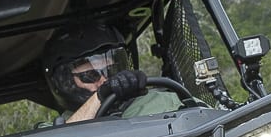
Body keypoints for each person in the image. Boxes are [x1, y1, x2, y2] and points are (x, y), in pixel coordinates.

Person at [40, 22, 180, 123]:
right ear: (65, 82)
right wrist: (100, 96)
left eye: (111, 70)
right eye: (90, 75)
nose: (104, 81)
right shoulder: (53, 131)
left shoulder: (164, 101)